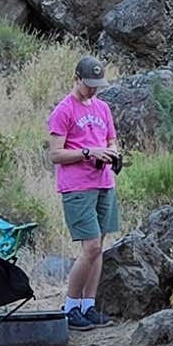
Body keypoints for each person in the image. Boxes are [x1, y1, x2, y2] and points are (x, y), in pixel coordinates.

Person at [45, 55, 124, 326]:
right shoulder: (64, 110)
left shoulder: (102, 108)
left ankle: (88, 305)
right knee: (89, 247)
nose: (92, 89)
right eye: (88, 84)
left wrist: (112, 153)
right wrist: (88, 152)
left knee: (99, 247)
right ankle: (70, 306)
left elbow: (111, 139)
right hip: (78, 186)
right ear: (76, 79)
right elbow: (56, 154)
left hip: (103, 182)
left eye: (96, 85)